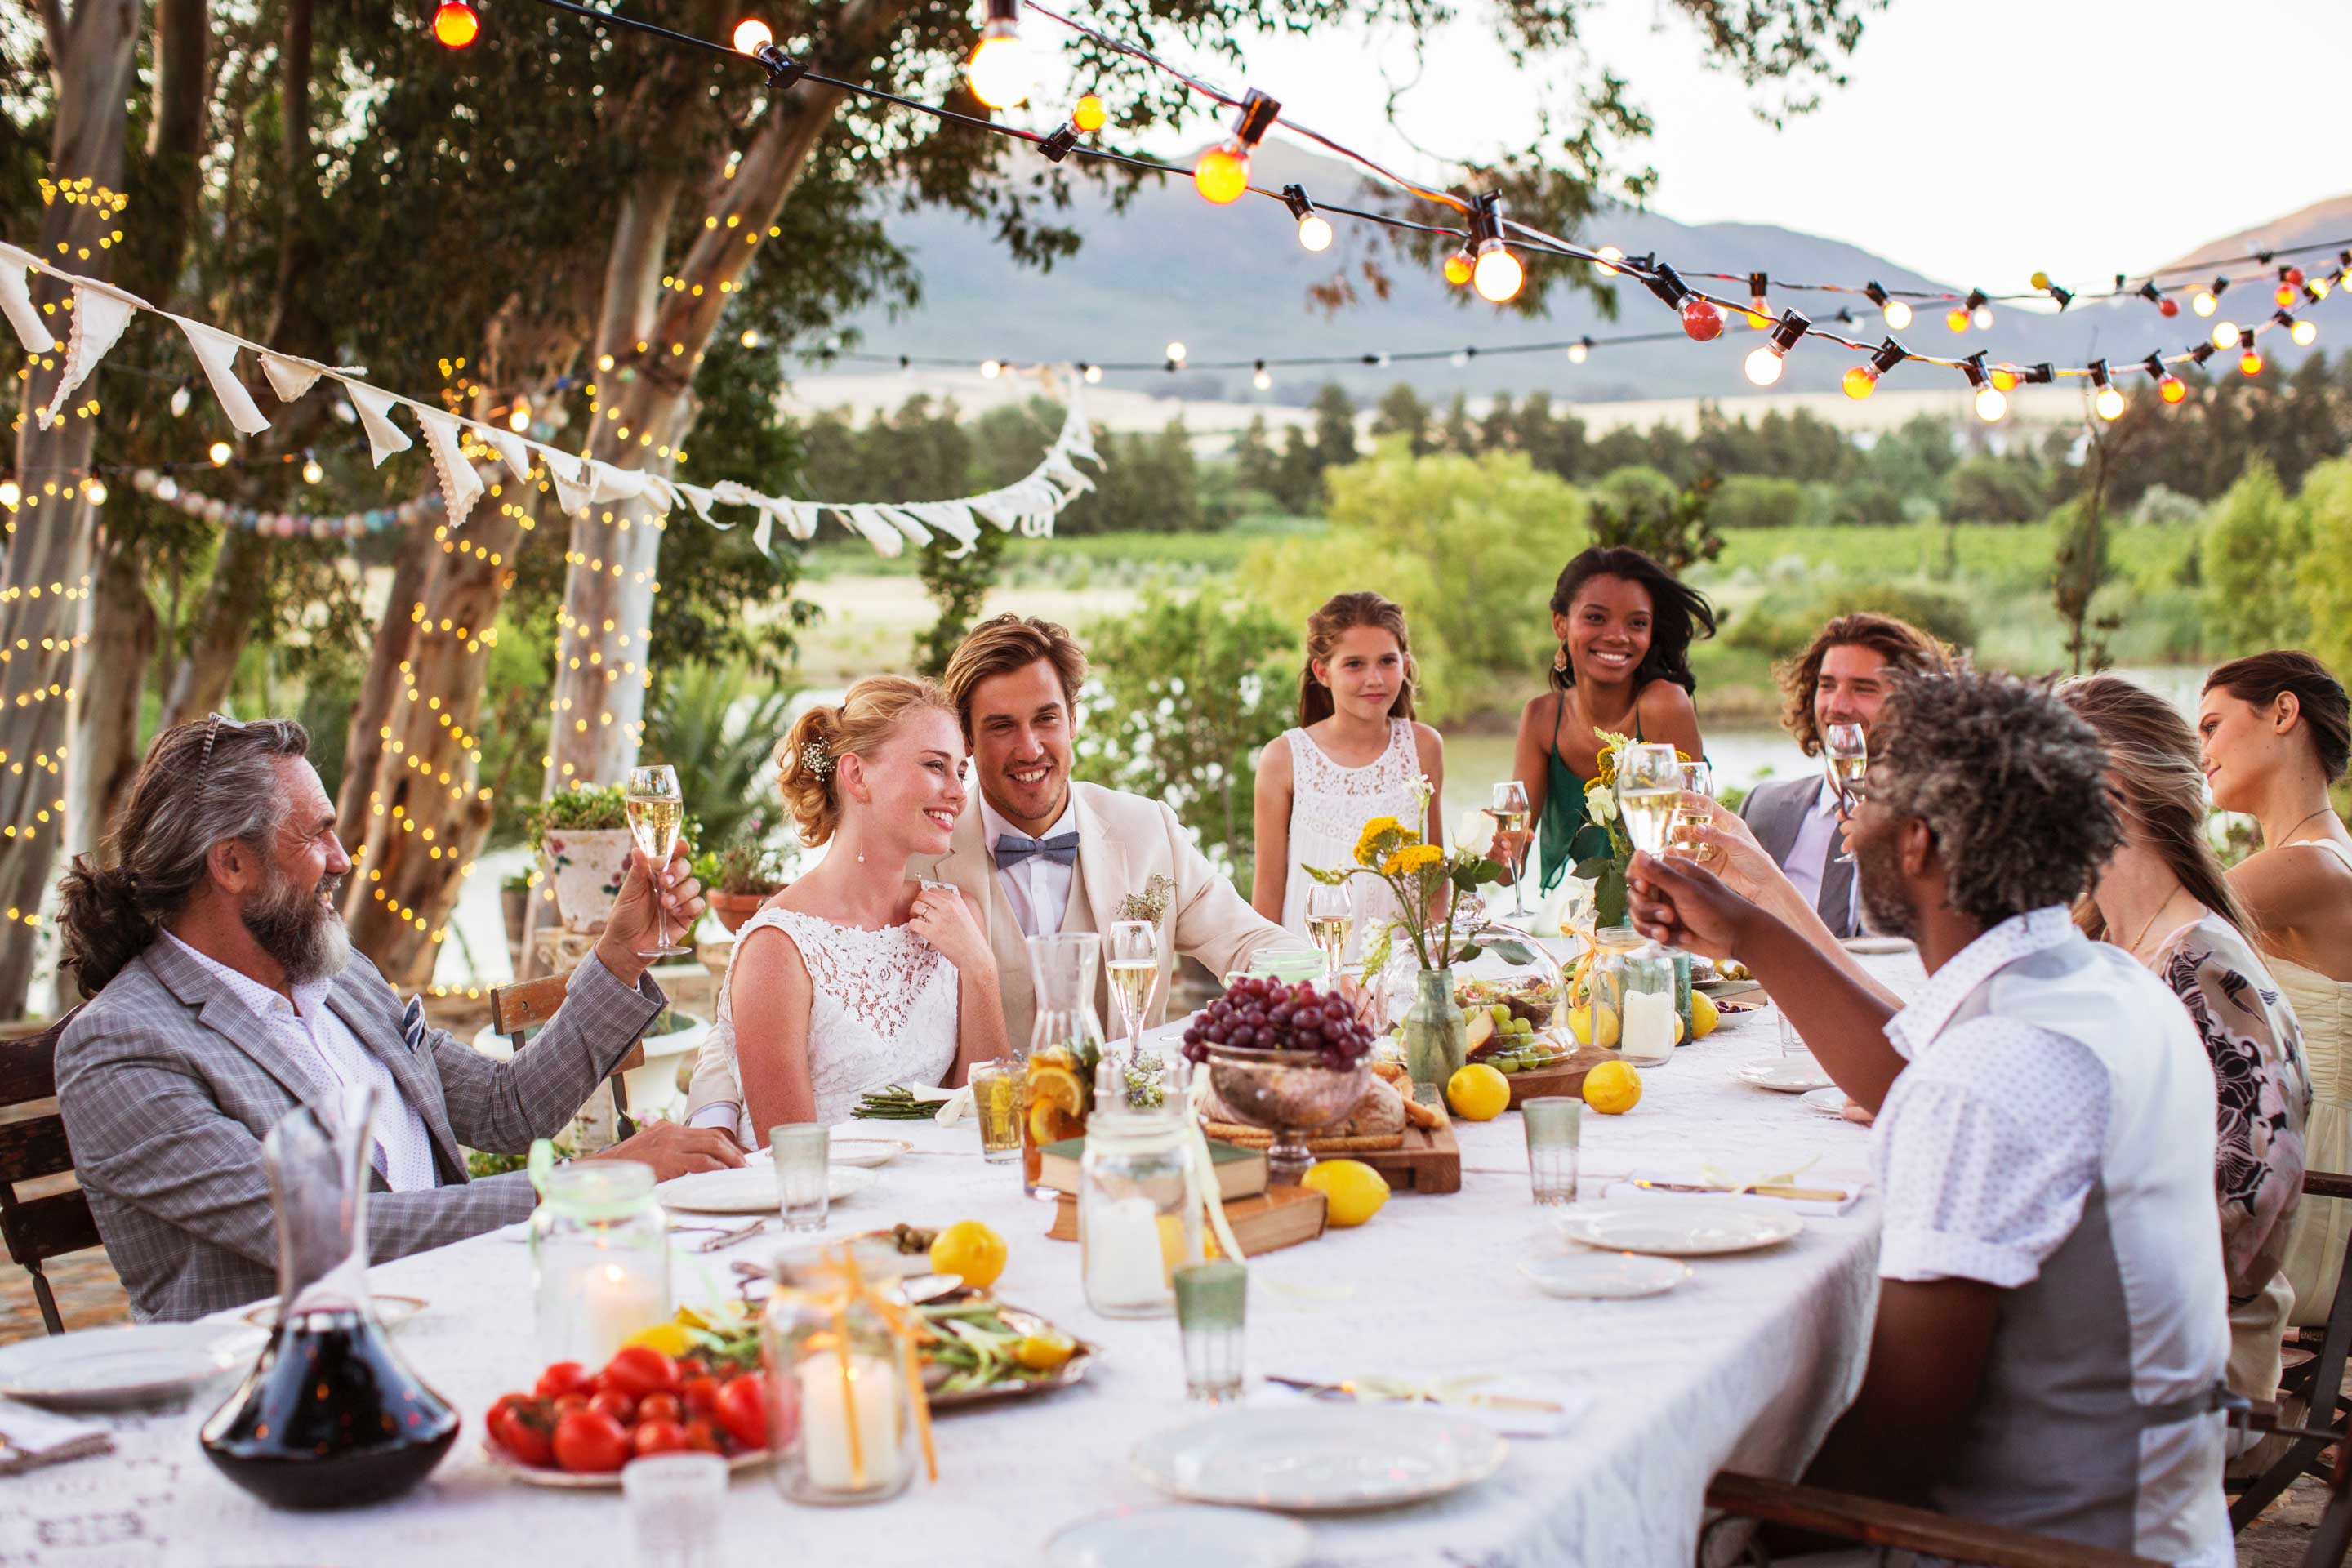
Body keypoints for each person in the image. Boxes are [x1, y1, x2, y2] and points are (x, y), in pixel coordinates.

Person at [1627, 671, 2231, 1566]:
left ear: (1918, 842)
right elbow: (1913, 1074)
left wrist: (1733, 1539)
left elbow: (1896, 1447)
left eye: (1868, 792)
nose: (1848, 814)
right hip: (2166, 1523)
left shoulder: (1997, 1066)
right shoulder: (2103, 985)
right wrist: (1749, 933)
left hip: (2040, 1547)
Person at [52, 716, 741, 1324]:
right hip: (289, 1383)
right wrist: (594, 1183)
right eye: (318, 836)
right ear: (231, 863)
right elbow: (328, 1232)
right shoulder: (122, 1046)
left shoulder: (337, 975)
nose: (343, 860)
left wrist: (621, 954)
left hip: (458, 1312)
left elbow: (507, 1109)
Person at [2063, 673, 2311, 1413]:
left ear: (2111, 790)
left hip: (2191, 1358)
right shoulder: (2105, 941)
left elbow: (2245, 1212)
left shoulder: (2203, 966)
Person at [930, 613, 1306, 1045]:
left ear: (1073, 719)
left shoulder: (1149, 830)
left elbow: (1246, 940)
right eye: (1002, 726)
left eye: (1046, 719)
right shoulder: (924, 854)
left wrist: (1318, 989)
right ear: (967, 739)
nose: (1030, 749)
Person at [685, 677, 1005, 1146]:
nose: (959, 792)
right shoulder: (778, 948)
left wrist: (980, 970)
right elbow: (793, 1157)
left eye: (961, 771)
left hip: (939, 1184)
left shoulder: (957, 916)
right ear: (857, 775)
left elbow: (983, 1119)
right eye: (935, 765)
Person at [2199, 650, 2352, 1334]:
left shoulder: (2308, 869)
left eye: (2212, 726)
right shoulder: (2319, 856)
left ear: (2283, 713)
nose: (2201, 753)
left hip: (2312, 1195)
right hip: (2295, 1165)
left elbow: (2132, 938)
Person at [1505, 546, 1711, 898]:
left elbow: (1696, 851)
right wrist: (1491, 846)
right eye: (1596, 618)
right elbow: (1509, 868)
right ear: (1560, 623)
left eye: (1637, 623)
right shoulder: (1541, 718)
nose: (1618, 635)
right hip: (1589, 916)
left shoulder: (1664, 705)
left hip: (1666, 913)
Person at [1736, 612, 1952, 938]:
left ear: (1913, 705)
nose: (1837, 705)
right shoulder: (1764, 807)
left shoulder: (1936, 823)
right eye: (1827, 686)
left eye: (1863, 689)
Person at [1252, 591, 1445, 944]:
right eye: (1354, 664)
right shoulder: (1283, 759)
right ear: (1322, 672)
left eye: (1387, 661)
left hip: (1403, 966)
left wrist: (1436, 962)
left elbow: (1435, 877)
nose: (1375, 679)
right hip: (1313, 967)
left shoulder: (1424, 747)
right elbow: (1267, 894)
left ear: (1405, 665)